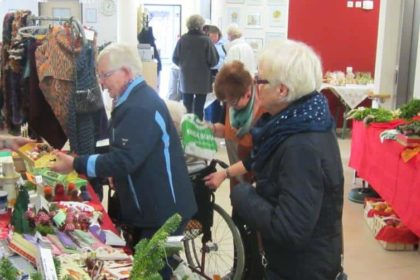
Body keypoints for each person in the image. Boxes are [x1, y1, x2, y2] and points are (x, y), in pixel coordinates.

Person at [51, 43, 197, 279]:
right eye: (99, 75)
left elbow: (125, 159)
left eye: (105, 75)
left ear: (127, 73)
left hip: (165, 213)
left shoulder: (140, 107)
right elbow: (128, 150)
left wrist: (76, 164)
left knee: (154, 272)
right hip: (155, 208)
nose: (101, 82)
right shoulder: (131, 100)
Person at [230, 40, 344, 279]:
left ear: (282, 90)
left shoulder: (300, 144)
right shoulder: (302, 120)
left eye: (260, 80)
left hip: (300, 268)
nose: (254, 86)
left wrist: (243, 195)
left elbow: (290, 230)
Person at [204, 60, 265, 279]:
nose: (229, 105)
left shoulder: (263, 112)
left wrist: (224, 173)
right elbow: (229, 132)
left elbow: (255, 160)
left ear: (248, 91)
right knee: (239, 227)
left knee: (255, 236)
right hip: (238, 184)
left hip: (258, 187)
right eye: (225, 102)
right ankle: (241, 270)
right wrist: (210, 129)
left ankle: (253, 273)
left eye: (232, 101)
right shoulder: (233, 107)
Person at [172, 14, 219, 120]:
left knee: (186, 107)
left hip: (186, 79)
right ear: (201, 26)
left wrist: (183, 65)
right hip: (202, 80)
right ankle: (197, 132)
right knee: (199, 108)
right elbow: (214, 61)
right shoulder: (206, 40)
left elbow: (174, 58)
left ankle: (186, 131)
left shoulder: (183, 39)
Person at [204, 25, 226, 124]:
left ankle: (216, 120)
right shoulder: (206, 44)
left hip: (220, 73)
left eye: (215, 36)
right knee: (209, 99)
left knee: (218, 98)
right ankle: (209, 121)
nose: (213, 38)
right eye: (211, 36)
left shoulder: (223, 45)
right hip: (209, 73)